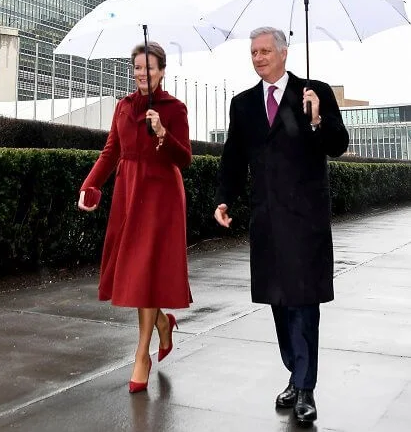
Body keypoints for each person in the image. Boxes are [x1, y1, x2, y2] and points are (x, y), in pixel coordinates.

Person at [213, 27, 349, 425]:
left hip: (305, 219)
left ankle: (305, 387)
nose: (258, 58)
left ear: (284, 54)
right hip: (268, 218)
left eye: (266, 51)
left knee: (303, 301)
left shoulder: (314, 92)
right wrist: (224, 198)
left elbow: (338, 145)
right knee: (278, 299)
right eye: (253, 52)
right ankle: (295, 371)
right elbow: (233, 158)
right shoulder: (243, 104)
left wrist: (318, 119)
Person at [77, 41, 192, 393]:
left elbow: (184, 158)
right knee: (136, 272)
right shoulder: (123, 107)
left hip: (161, 197)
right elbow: (111, 151)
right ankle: (161, 322)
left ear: (162, 71)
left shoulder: (174, 108)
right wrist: (90, 185)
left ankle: (141, 354)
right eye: (138, 68)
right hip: (129, 195)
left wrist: (162, 133)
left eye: (150, 68)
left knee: (148, 270)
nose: (143, 74)